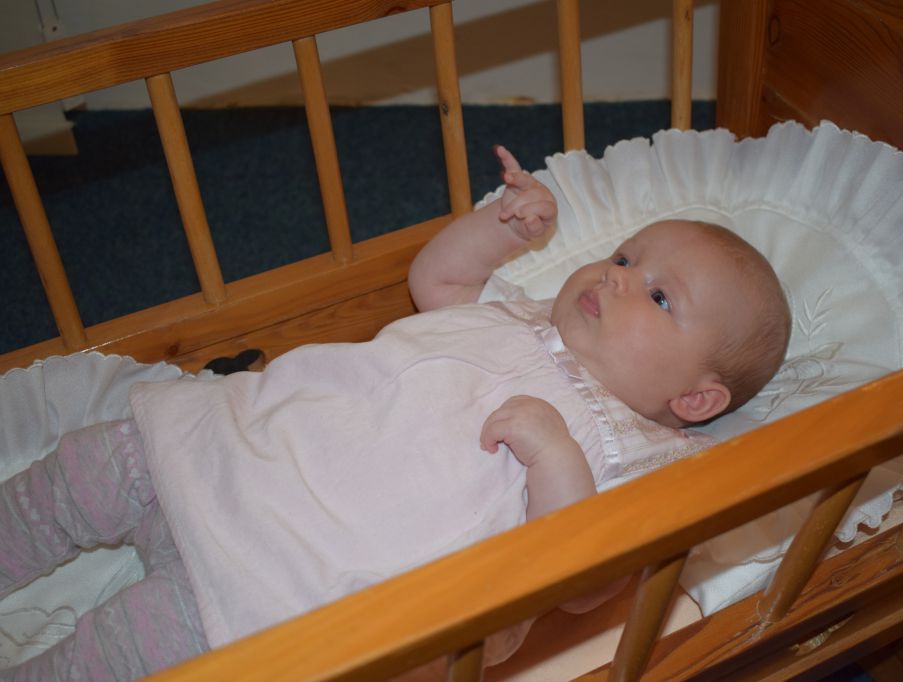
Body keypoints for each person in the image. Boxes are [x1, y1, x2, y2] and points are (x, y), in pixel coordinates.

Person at [0, 147, 790, 681]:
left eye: (659, 296)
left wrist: (557, 458)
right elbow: (436, 281)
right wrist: (499, 229)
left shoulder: (638, 455)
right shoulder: (519, 312)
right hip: (218, 444)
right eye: (624, 255)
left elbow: (589, 582)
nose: (618, 276)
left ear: (695, 400)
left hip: (265, 589)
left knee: (106, 659)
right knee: (72, 478)